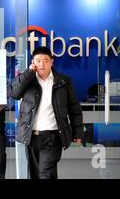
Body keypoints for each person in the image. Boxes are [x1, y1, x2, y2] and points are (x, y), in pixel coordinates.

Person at [9, 46, 84, 179]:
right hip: (31, 136)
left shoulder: (63, 82)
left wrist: (78, 132)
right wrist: (29, 72)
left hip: (52, 137)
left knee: (46, 173)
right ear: (33, 62)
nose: (41, 64)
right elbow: (14, 93)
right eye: (38, 60)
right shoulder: (27, 80)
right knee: (35, 174)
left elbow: (74, 108)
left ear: (51, 62)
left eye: (45, 60)